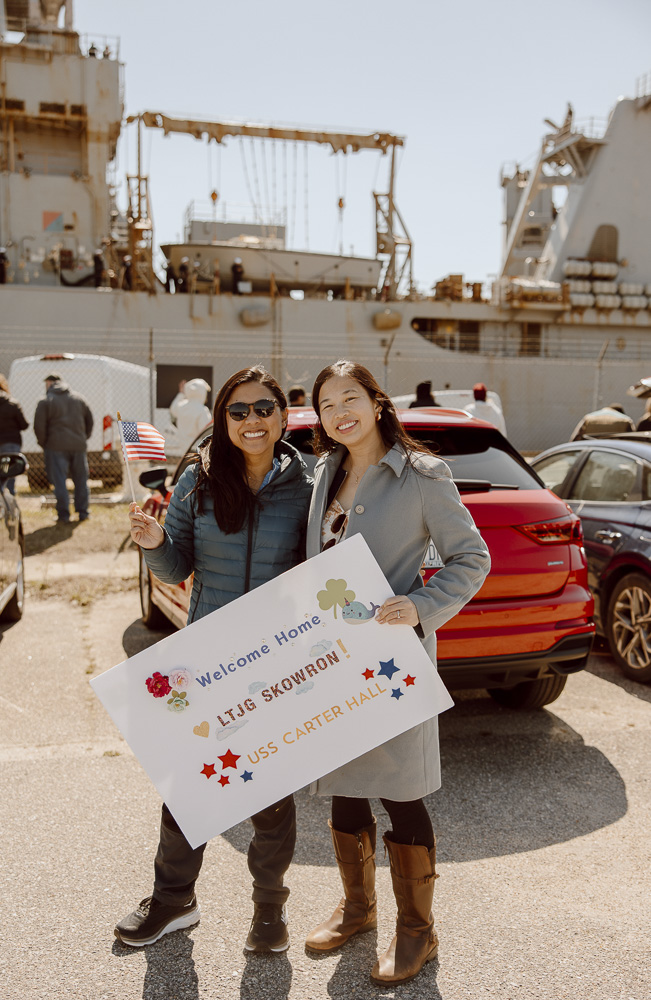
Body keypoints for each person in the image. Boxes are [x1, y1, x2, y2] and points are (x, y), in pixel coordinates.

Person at [304, 359, 490, 984]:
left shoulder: (421, 474)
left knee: (401, 789)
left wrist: (424, 607)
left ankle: (418, 929)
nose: (339, 412)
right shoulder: (322, 473)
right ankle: (358, 908)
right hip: (332, 663)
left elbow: (472, 557)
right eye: (327, 404)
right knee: (345, 785)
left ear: (378, 403)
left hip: (390, 661)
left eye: (349, 398)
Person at [120, 365, 313, 951]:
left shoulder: (310, 486)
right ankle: (174, 902)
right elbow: (177, 568)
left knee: (271, 796)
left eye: (262, 409)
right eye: (238, 410)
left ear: (283, 416)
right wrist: (156, 547)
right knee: (191, 788)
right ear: (221, 419)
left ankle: (269, 912)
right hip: (207, 658)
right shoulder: (198, 482)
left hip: (278, 665)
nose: (251, 420)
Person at [33, 374, 93, 523]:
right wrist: (83, 438)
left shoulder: (45, 401)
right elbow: (90, 421)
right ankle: (83, 512)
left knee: (59, 481)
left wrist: (45, 443)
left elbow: (38, 426)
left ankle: (64, 515)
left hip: (55, 446)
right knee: (81, 480)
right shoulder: (79, 398)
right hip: (78, 445)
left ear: (50, 383)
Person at [0, 374, 28, 494]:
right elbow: (24, 425)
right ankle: (9, 501)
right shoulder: (12, 402)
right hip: (10, 445)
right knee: (9, 477)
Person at [167, 377, 212, 453]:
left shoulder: (181, 406)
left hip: (183, 447)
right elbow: (206, 431)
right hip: (197, 448)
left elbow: (173, 408)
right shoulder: (202, 410)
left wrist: (181, 393)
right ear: (202, 393)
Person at [570, 403, 634, 441]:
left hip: (593, 450)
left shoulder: (589, 417)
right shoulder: (625, 420)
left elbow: (576, 437)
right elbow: (633, 440)